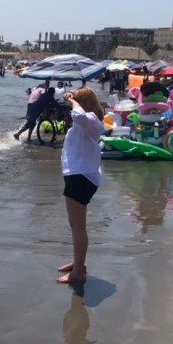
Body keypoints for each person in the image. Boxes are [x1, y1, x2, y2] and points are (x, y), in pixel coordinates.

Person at [56, 87, 105, 284]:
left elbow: (78, 115)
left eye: (76, 101)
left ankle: (78, 273)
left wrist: (73, 101)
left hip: (81, 177)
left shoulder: (90, 119)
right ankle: (78, 263)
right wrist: (71, 99)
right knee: (76, 225)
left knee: (78, 227)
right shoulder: (86, 123)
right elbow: (77, 117)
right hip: (78, 175)